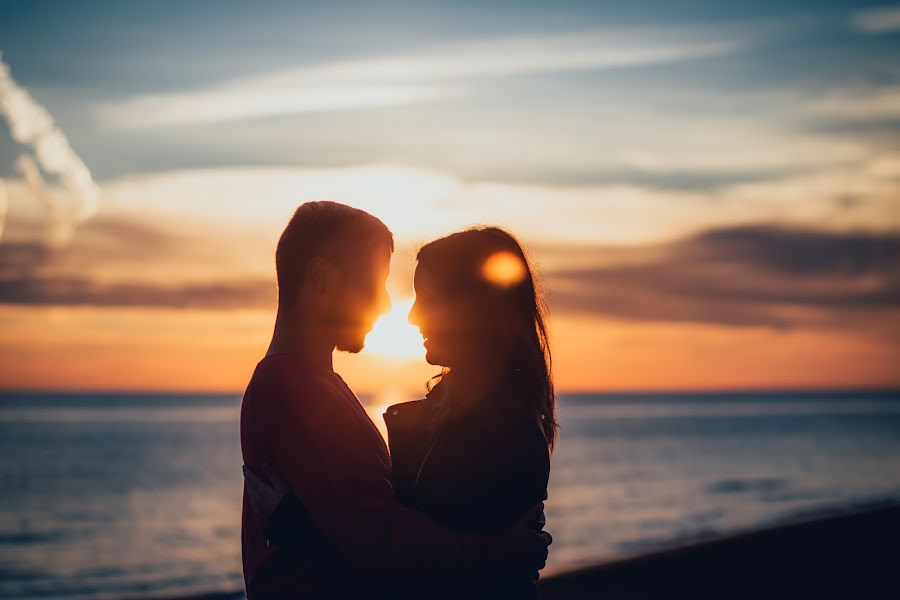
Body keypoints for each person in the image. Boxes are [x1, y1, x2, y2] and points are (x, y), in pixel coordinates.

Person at [240, 202, 550, 599]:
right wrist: (503, 555)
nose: (390, 306)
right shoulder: (291, 387)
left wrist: (299, 527)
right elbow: (382, 543)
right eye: (373, 282)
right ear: (320, 278)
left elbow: (380, 535)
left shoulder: (314, 386)